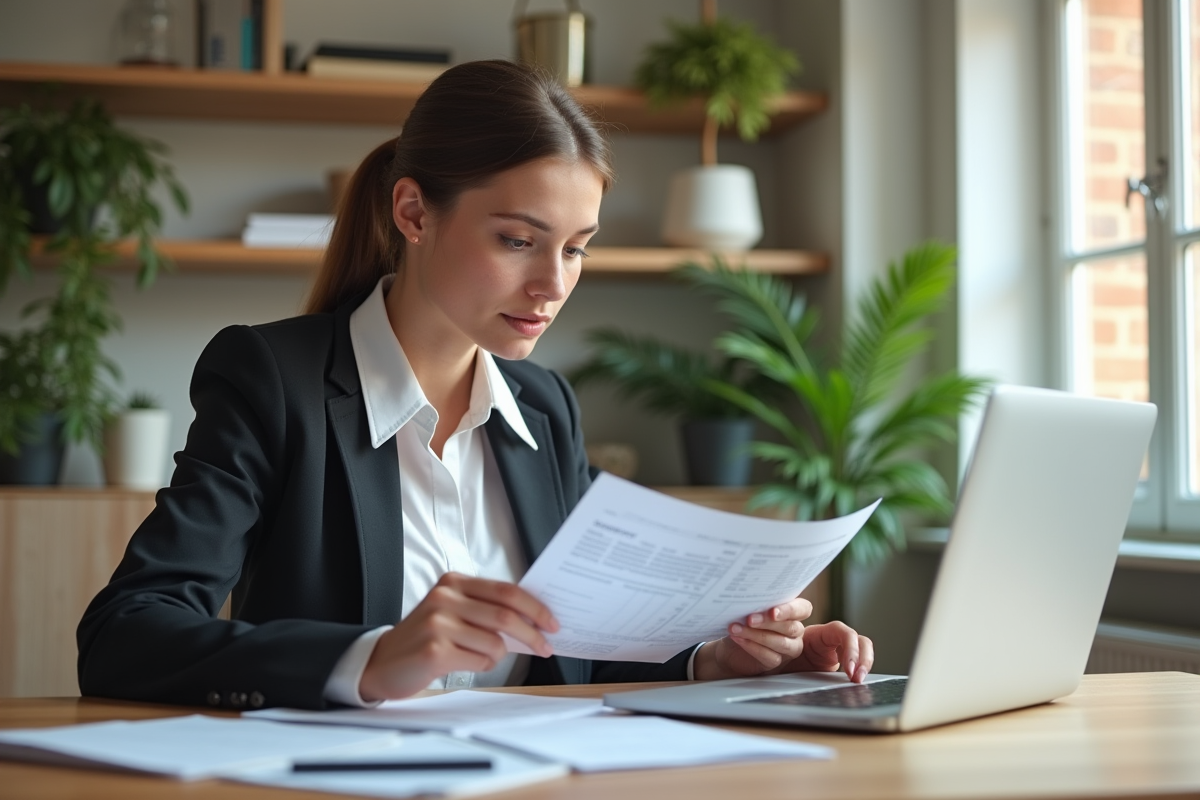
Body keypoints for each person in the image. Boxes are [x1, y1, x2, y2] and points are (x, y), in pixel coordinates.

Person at [77, 60, 874, 711]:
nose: (552, 284)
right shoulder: (272, 382)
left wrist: (715, 661)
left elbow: (576, 661)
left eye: (576, 249)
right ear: (415, 213)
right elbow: (126, 634)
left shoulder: (543, 410)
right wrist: (370, 659)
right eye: (519, 241)